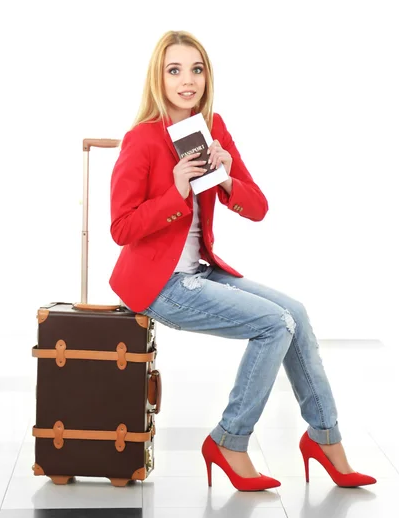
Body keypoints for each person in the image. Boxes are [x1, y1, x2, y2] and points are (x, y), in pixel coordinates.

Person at [109, 30, 376, 491]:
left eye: (197, 69)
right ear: (159, 77)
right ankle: (230, 441)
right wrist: (176, 190)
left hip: (201, 271)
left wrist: (226, 177)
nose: (187, 81)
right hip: (160, 285)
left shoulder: (213, 128)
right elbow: (122, 228)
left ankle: (324, 438)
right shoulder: (142, 138)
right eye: (175, 70)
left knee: (294, 312)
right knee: (275, 324)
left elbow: (258, 207)